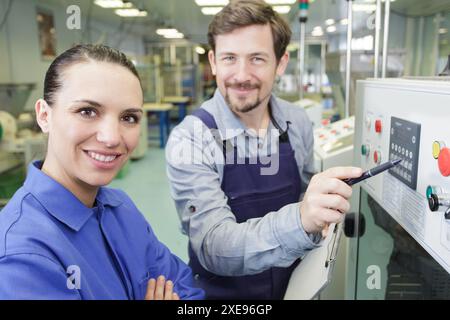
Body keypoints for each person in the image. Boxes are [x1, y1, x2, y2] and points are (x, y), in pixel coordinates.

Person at [165, 0, 362, 299]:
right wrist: (301, 220)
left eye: (257, 58)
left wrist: (320, 207)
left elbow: (304, 192)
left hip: (293, 288)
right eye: (230, 58)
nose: (242, 75)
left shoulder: (296, 121)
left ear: (280, 63)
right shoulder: (191, 139)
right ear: (214, 61)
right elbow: (213, 247)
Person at [0, 44, 204, 300]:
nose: (111, 138)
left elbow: (186, 289)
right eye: (87, 111)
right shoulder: (21, 254)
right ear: (44, 115)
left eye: (128, 117)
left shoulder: (121, 209)